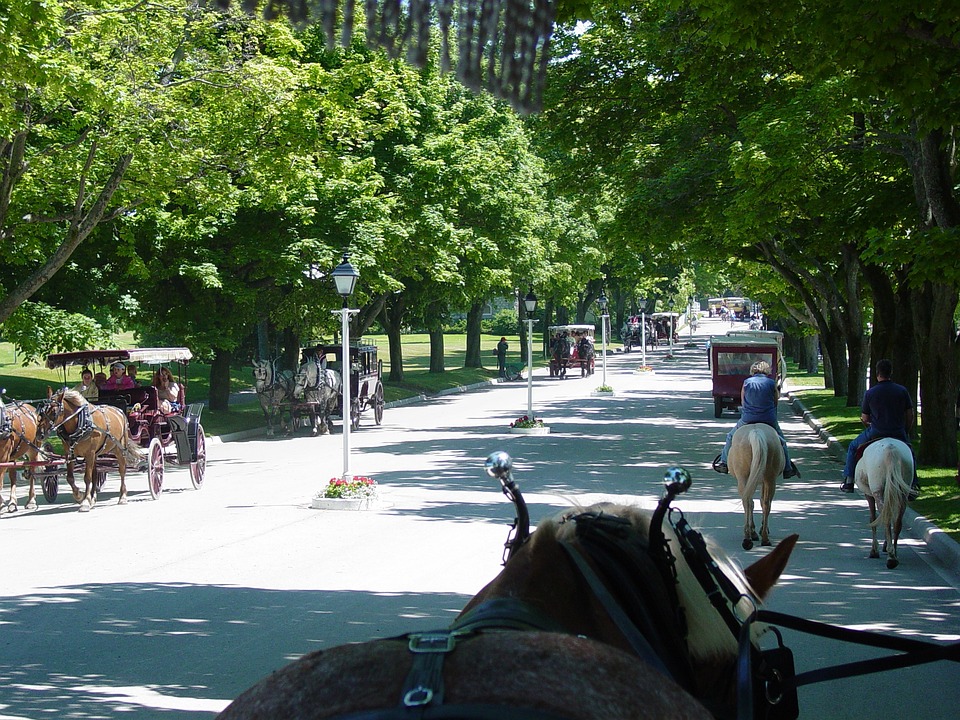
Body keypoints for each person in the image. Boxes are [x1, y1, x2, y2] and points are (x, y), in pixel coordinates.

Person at [713, 360, 800, 479]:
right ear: (766, 370)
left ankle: (724, 462)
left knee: (730, 436)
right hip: (768, 419)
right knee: (782, 441)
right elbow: (775, 402)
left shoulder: (746, 382)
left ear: (753, 370)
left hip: (748, 418)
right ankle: (787, 468)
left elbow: (743, 401)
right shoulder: (771, 383)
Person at [841, 359, 916, 494]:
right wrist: (905, 430)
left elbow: (865, 418)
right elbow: (910, 415)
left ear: (877, 373)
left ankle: (849, 480)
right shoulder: (902, 391)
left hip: (876, 432)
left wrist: (868, 423)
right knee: (910, 452)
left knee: (852, 447)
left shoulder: (870, 393)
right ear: (890, 372)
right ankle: (913, 483)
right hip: (898, 432)